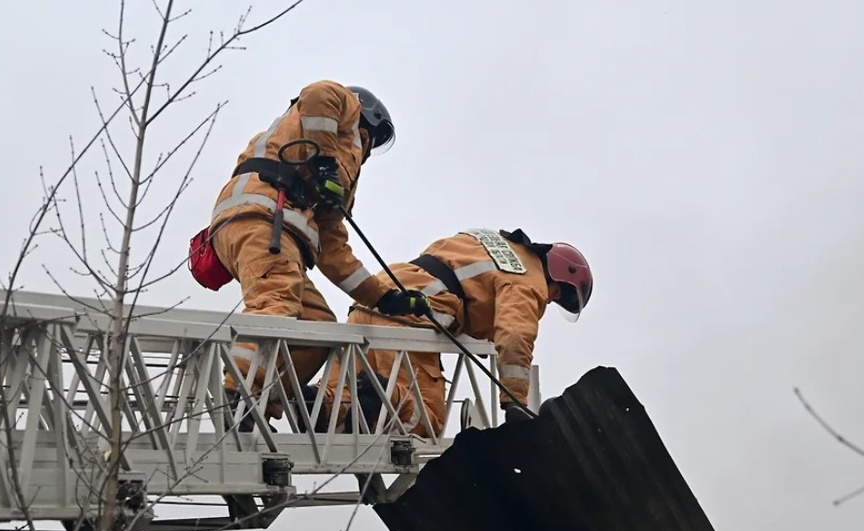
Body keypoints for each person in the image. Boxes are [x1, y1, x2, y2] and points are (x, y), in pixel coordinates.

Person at [204, 80, 424, 425]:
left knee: (318, 328)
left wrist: (383, 298)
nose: (366, 149)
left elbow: (333, 250)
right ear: (369, 124)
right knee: (276, 302)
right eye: (371, 140)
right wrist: (322, 161)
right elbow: (320, 94)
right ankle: (233, 399)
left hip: (275, 232)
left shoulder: (341, 179)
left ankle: (260, 403)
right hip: (262, 216)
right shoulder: (343, 110)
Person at [306, 227, 594, 437]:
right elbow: (516, 334)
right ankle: (378, 394)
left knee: (333, 399)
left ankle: (309, 403)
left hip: (374, 299)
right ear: (557, 275)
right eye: (557, 293)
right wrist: (514, 402)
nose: (549, 298)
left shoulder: (491, 243)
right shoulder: (527, 280)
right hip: (411, 315)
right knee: (425, 422)